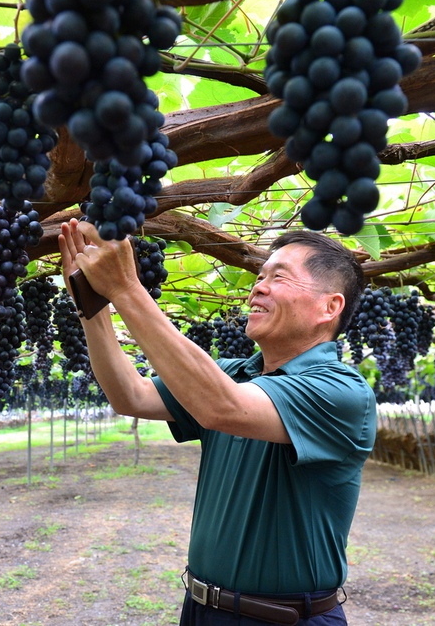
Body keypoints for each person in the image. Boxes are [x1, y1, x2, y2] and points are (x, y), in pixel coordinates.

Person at [59, 219, 376, 626]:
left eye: (279, 277)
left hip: (285, 619)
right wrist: (94, 305)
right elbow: (130, 395)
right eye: (259, 276)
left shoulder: (341, 393)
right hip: (201, 608)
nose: (257, 288)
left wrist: (125, 289)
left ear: (329, 307)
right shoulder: (234, 375)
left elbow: (221, 407)